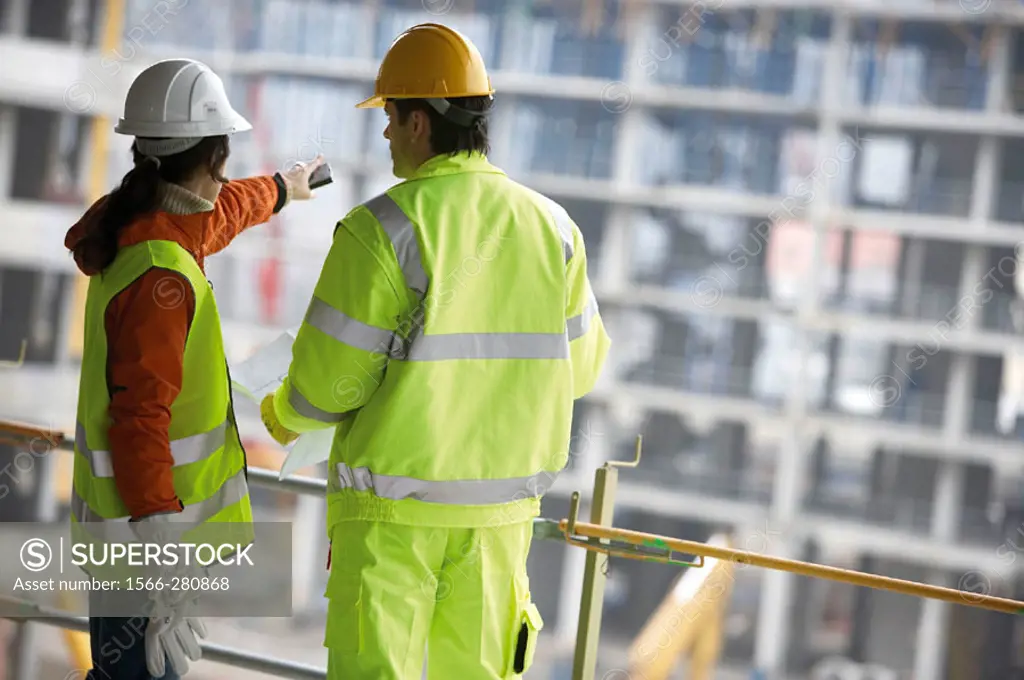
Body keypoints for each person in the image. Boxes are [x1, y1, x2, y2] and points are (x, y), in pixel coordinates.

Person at [259, 22, 611, 679]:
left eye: (391, 116)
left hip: (393, 522)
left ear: (420, 122)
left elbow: (325, 387)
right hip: (500, 526)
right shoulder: (554, 229)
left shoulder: (382, 230)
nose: (386, 132)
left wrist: (284, 414)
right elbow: (583, 369)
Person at [64, 57, 323, 679]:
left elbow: (222, 212)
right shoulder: (163, 276)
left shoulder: (140, 229)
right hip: (146, 546)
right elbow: (140, 420)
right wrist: (162, 564)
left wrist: (285, 188)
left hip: (129, 536)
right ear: (212, 160)